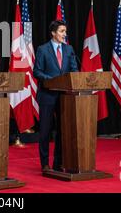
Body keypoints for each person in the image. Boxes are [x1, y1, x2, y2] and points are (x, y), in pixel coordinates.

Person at [33, 20, 78, 172]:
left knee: (62, 130)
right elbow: (37, 71)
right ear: (53, 33)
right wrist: (51, 80)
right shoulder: (42, 49)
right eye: (61, 31)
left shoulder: (69, 49)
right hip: (47, 94)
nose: (65, 34)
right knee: (45, 130)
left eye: (65, 31)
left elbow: (74, 70)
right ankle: (44, 164)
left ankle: (58, 162)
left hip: (65, 96)